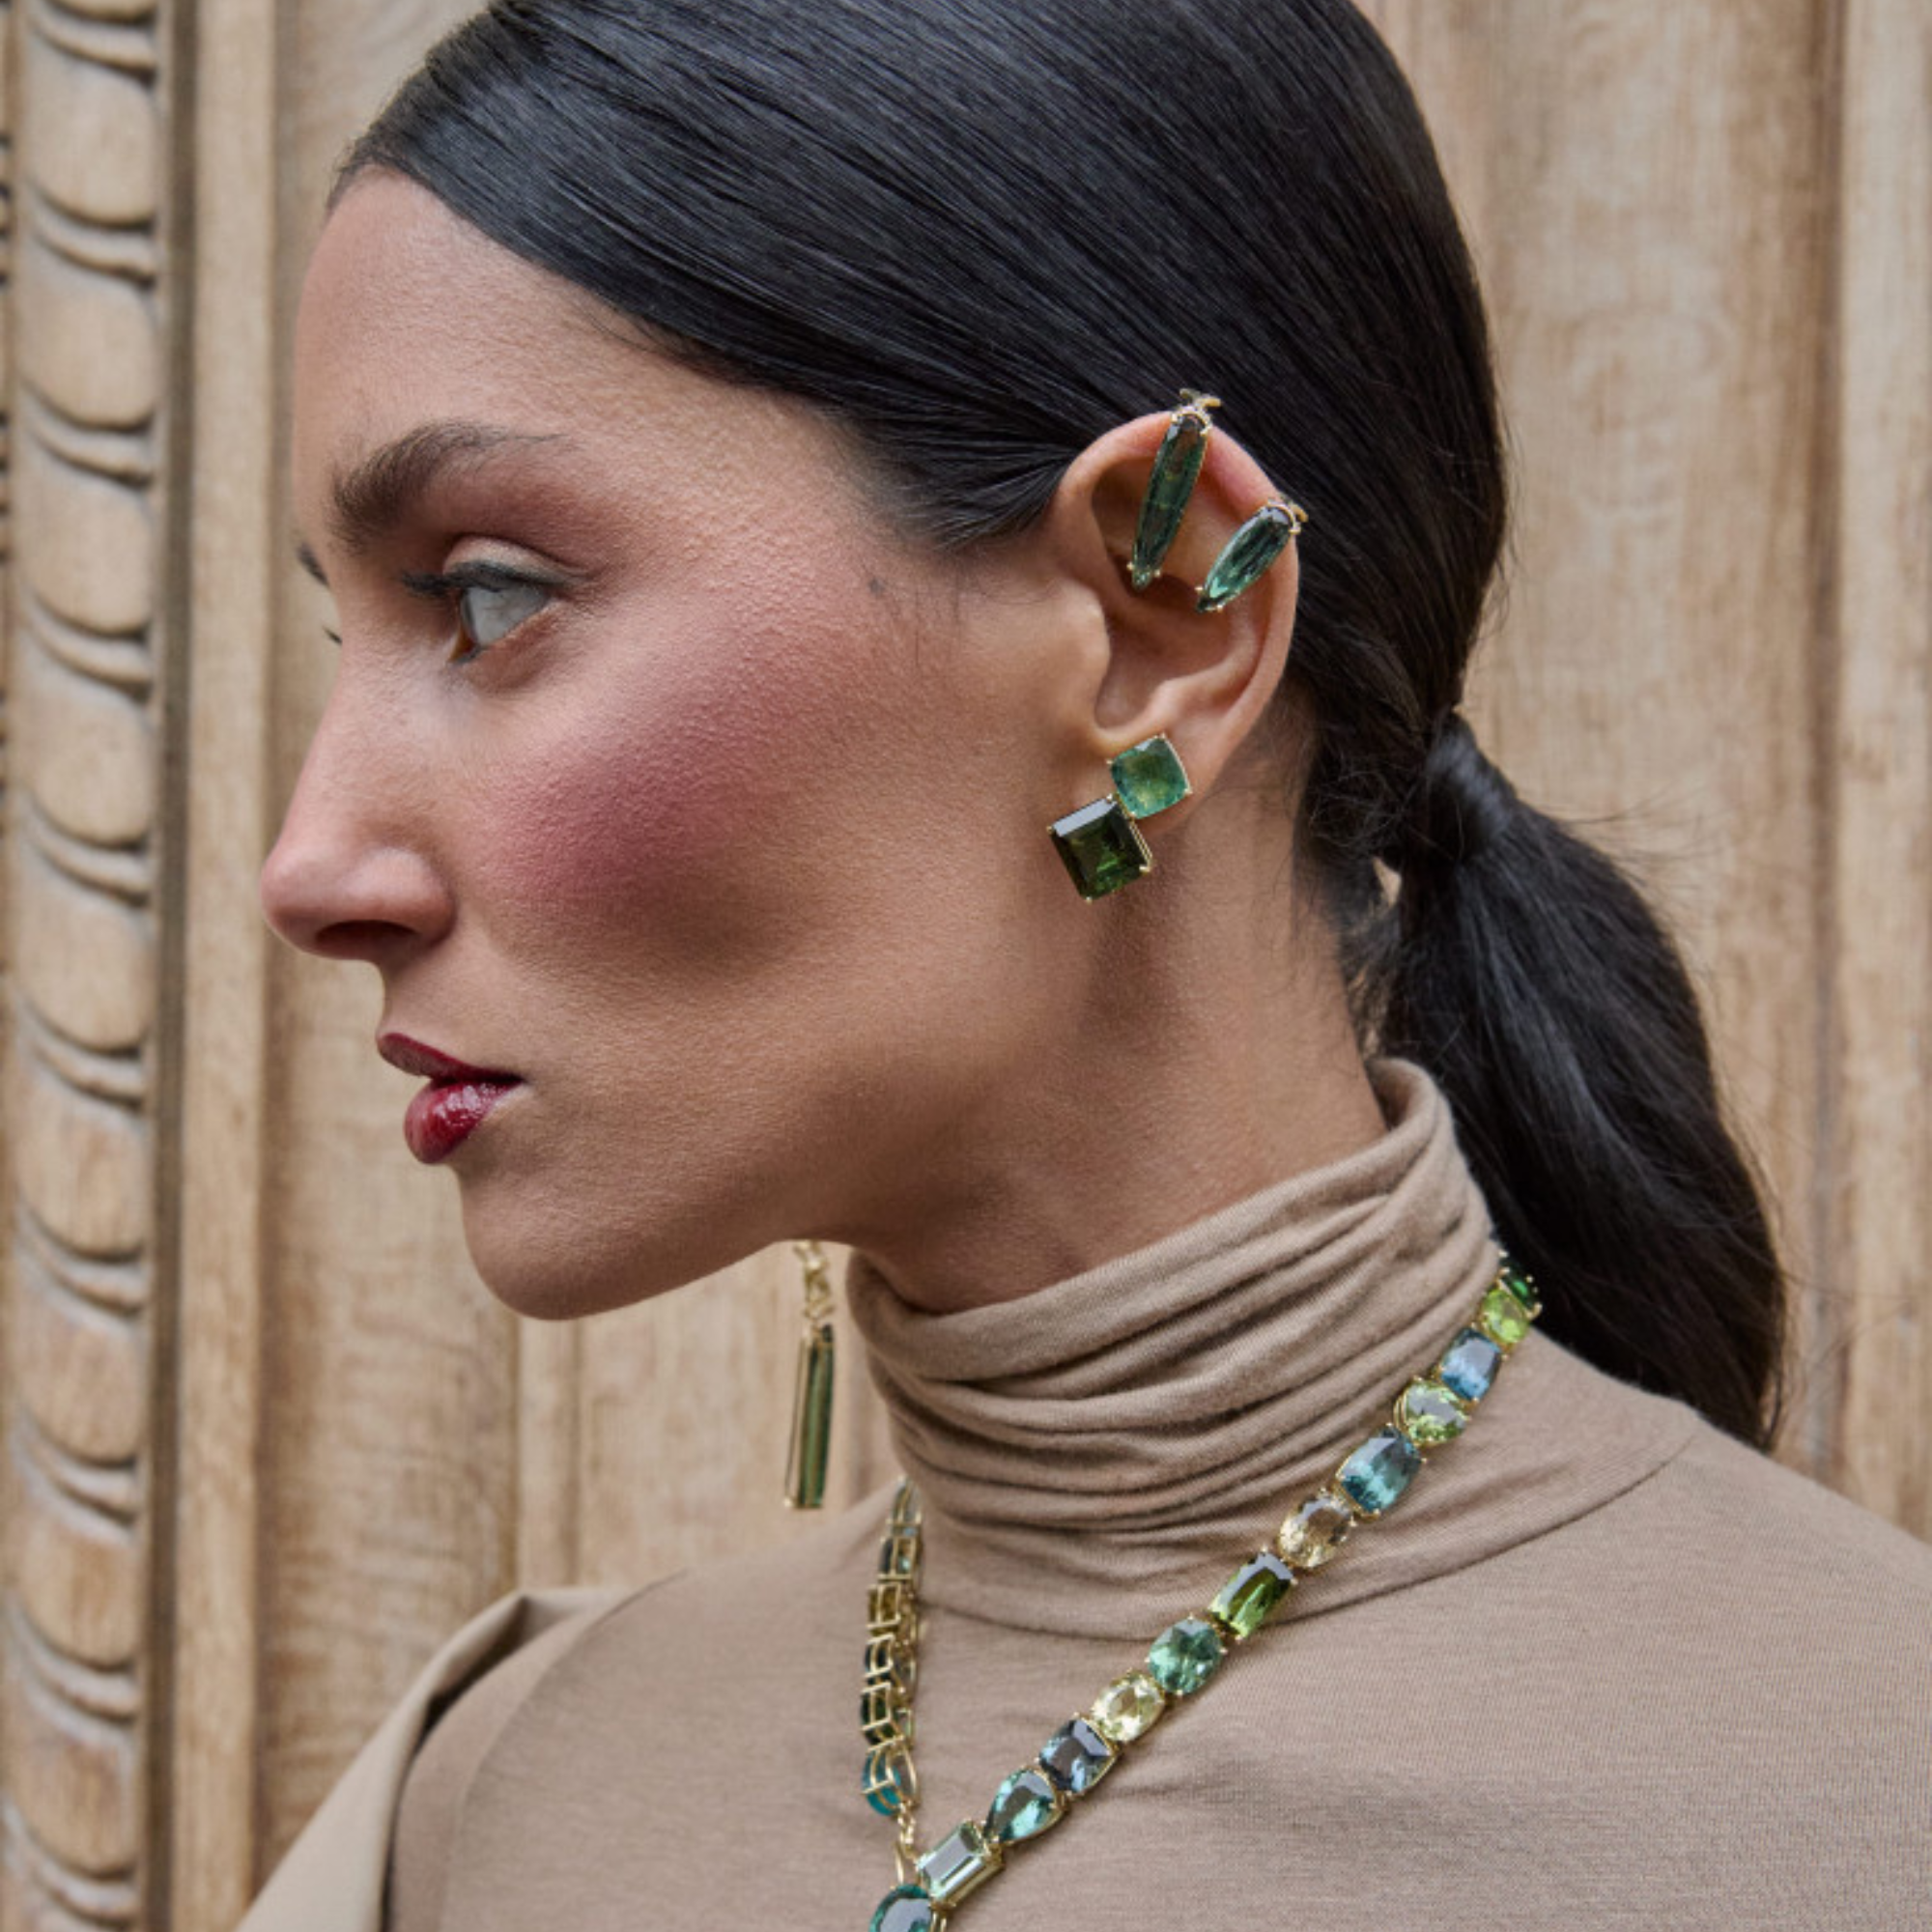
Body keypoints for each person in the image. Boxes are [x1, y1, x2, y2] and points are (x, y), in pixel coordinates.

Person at [242, 1, 1931, 1926]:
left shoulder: (1870, 1798)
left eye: (488, 598)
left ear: (1154, 626)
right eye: (349, 638)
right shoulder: (493, 1799)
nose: (310, 867)